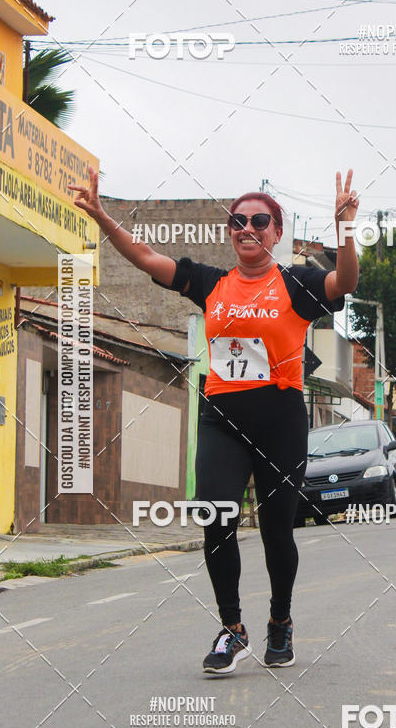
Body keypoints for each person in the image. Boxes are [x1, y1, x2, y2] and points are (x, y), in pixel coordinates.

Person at [71, 165, 359, 674]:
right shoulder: (211, 283)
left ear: (276, 232)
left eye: (260, 221)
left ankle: (280, 623)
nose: (247, 228)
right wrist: (102, 218)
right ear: (230, 232)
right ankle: (231, 628)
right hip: (221, 418)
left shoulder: (297, 284)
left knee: (276, 530)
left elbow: (346, 280)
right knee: (216, 517)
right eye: (237, 221)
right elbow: (145, 258)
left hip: (280, 422)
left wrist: (347, 230)